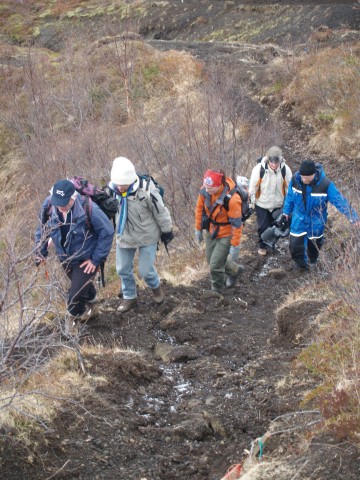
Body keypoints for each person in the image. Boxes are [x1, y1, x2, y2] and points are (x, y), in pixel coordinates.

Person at [35, 179, 114, 334]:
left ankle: (72, 322)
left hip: (86, 259)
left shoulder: (88, 208)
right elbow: (42, 228)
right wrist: (40, 252)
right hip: (64, 256)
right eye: (58, 203)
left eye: (64, 203)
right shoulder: (50, 205)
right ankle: (93, 305)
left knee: (75, 295)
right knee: (82, 285)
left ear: (73, 197)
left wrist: (96, 259)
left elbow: (107, 232)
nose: (61, 207)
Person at [108, 157, 174, 313]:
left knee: (145, 270)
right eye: (117, 184)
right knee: (123, 269)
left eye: (123, 185)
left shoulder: (146, 190)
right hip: (124, 234)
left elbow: (161, 211)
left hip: (147, 235)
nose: (120, 187)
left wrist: (167, 230)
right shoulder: (111, 191)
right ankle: (130, 297)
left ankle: (156, 287)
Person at [283, 159, 359, 271]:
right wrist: (286, 212)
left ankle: (313, 261)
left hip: (316, 220)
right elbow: (290, 196)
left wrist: (353, 218)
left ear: (313, 174)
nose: (303, 179)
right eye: (302, 176)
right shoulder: (295, 179)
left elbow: (340, 201)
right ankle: (302, 266)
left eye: (306, 177)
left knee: (314, 246)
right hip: (299, 217)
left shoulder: (326, 185)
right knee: (295, 246)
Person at [195, 169, 243, 294]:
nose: (207, 190)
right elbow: (199, 209)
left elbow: (237, 224)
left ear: (219, 185)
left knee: (215, 265)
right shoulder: (205, 190)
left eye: (210, 188)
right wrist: (198, 228)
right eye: (206, 187)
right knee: (211, 260)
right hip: (211, 230)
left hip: (227, 233)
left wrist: (235, 244)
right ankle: (235, 270)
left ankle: (217, 291)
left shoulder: (232, 199)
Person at [249, 146, 292, 256]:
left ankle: (270, 243)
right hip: (262, 203)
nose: (274, 165)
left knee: (276, 226)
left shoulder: (285, 170)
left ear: (280, 160)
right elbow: (252, 187)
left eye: (276, 162)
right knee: (263, 226)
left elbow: (289, 188)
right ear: (268, 160)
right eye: (272, 162)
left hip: (278, 203)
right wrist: (251, 203)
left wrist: (289, 204)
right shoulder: (259, 169)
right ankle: (262, 246)